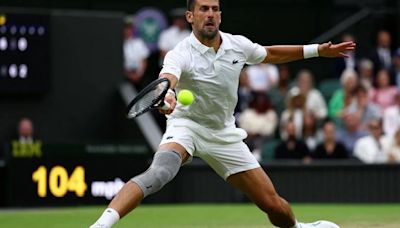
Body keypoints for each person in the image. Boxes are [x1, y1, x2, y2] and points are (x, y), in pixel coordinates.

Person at [90, 0, 355, 227]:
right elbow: (168, 79)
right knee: (160, 172)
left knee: (273, 205)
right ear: (190, 16)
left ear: (220, 15)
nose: (210, 14)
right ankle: (103, 223)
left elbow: (270, 54)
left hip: (224, 134)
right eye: (203, 9)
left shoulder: (237, 46)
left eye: (215, 9)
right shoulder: (179, 53)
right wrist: (168, 95)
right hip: (187, 126)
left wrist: (318, 50)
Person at [123, 18, 150, 87]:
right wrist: (129, 75)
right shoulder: (118, 44)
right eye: (126, 28)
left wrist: (139, 74)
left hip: (139, 77)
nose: (128, 31)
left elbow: (144, 60)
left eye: (130, 28)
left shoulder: (139, 42)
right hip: (125, 77)